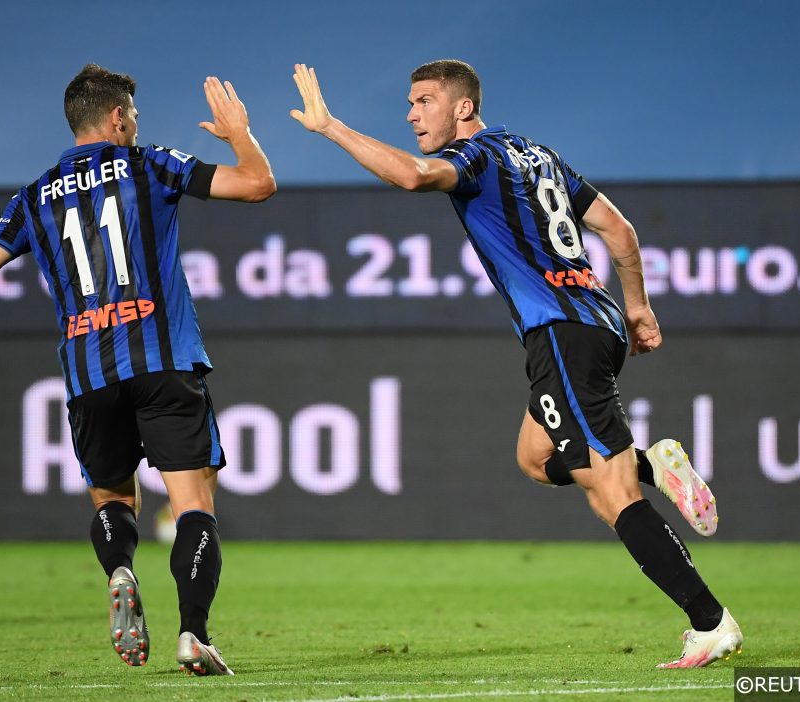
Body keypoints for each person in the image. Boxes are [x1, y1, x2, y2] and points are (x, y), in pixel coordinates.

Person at [289, 60, 742, 668]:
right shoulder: (537, 153)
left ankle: (710, 621)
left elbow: (416, 175)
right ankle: (652, 463)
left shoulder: (476, 156)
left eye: (423, 101)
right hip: (595, 322)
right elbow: (620, 229)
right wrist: (637, 309)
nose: (411, 113)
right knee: (535, 458)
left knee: (610, 494)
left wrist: (331, 127)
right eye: (410, 102)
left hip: (561, 334)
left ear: (464, 108)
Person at [0, 63, 276, 674]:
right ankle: (193, 634)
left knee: (111, 498)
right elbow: (258, 184)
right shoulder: (149, 164)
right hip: (165, 361)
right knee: (193, 502)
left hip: (88, 374)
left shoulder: (32, 196)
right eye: (135, 117)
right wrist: (239, 133)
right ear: (118, 117)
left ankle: (120, 568)